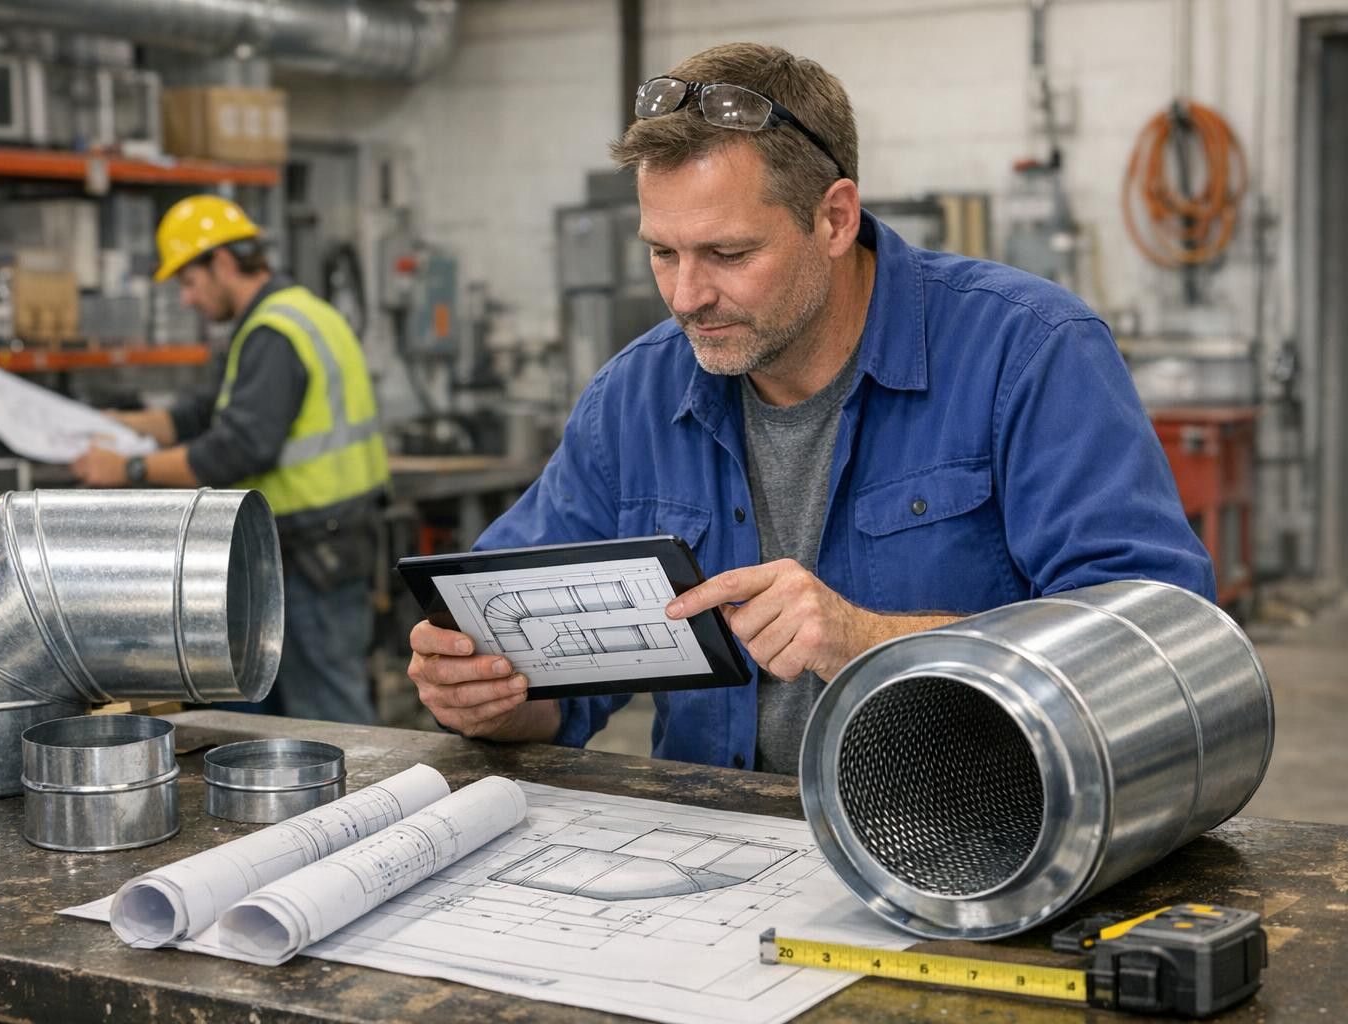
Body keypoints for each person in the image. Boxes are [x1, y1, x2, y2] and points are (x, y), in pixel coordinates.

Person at [406, 42, 1215, 773]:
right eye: (663, 253)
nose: (687, 297)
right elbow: (544, 683)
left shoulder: (1028, 352)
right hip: (720, 854)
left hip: (976, 839)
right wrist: (495, 695)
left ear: (834, 218)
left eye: (729, 254)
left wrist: (865, 639)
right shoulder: (635, 397)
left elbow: (1159, 647)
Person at [72, 195, 390, 724]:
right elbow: (208, 412)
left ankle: (364, 807)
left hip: (310, 556)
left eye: (189, 282)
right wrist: (126, 426)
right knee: (292, 716)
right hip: (329, 544)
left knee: (329, 720)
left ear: (221, 263)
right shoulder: (296, 313)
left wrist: (126, 469)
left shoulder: (272, 332)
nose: (188, 298)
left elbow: (238, 448)